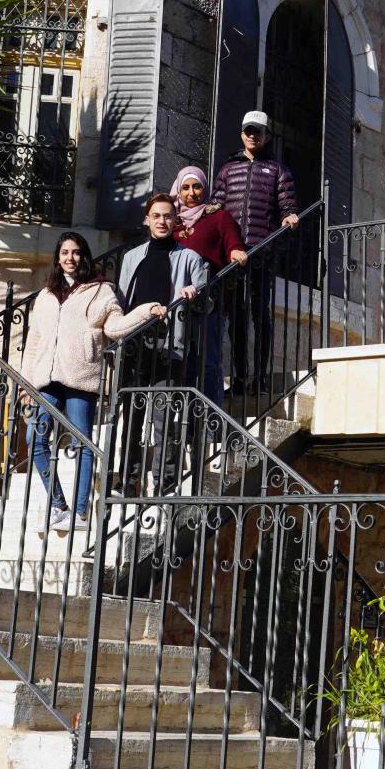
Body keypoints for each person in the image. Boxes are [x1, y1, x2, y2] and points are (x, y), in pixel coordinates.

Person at [18, 232, 146, 533]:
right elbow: (34, 340)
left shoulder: (101, 290)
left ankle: (81, 511)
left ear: (83, 256)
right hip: (47, 380)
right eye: (64, 252)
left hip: (81, 377)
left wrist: (143, 312)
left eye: (75, 252)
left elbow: (114, 326)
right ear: (57, 257)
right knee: (34, 440)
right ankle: (58, 504)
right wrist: (26, 384)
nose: (70, 258)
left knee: (83, 443)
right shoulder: (46, 295)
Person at [113, 192, 211, 490]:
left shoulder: (190, 258)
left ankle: (165, 482)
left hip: (169, 347)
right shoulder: (131, 258)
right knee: (131, 417)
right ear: (147, 220)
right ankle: (128, 480)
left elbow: (207, 302)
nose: (162, 221)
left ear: (176, 220)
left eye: (168, 215)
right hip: (134, 346)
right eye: (156, 215)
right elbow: (120, 302)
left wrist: (195, 294)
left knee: (164, 418)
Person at [211, 109, 299, 392]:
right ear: (242, 134)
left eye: (257, 131)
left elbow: (288, 205)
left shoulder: (277, 170)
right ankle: (238, 378)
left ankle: (259, 377)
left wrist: (290, 216)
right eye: (248, 131)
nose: (252, 135)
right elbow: (216, 207)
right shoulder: (227, 170)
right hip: (234, 254)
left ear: (266, 136)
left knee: (259, 314)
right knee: (236, 315)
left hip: (262, 251)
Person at [170, 166, 245, 403]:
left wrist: (236, 252)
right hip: (177, 303)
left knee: (208, 363)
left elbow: (233, 243)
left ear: (205, 188)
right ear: (178, 191)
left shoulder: (218, 217)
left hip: (208, 303)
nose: (191, 193)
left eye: (197, 186)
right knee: (181, 364)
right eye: (185, 188)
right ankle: (187, 427)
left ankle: (213, 425)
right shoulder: (172, 223)